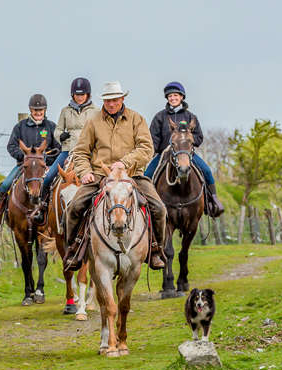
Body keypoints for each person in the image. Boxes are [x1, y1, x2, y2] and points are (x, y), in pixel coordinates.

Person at [64, 81, 167, 270]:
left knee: (159, 208)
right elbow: (80, 152)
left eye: (115, 99)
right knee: (75, 206)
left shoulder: (137, 119)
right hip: (99, 176)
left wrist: (125, 163)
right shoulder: (93, 121)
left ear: (123, 98)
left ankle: (155, 249)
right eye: (108, 100)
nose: (112, 104)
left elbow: (146, 148)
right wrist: (85, 172)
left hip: (132, 176)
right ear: (103, 100)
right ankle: (73, 248)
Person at [145, 81, 224, 217]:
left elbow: (199, 137)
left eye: (175, 95)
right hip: (165, 154)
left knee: (206, 170)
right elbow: (154, 137)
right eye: (170, 96)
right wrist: (156, 150)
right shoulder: (160, 117)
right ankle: (144, 206)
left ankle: (213, 201)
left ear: (181, 97)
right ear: (167, 98)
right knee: (147, 175)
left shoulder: (191, 117)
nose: (173, 98)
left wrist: (188, 143)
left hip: (186, 154)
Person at [0, 94, 61, 227]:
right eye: (35, 110)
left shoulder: (51, 127)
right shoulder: (20, 127)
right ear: (30, 110)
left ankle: (58, 217)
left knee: (57, 187)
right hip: (24, 166)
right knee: (5, 185)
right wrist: (24, 157)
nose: (38, 112)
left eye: (41, 110)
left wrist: (45, 160)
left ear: (45, 110)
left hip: (45, 167)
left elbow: (58, 147)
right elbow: (11, 146)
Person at [33, 77, 99, 223]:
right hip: (68, 150)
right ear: (72, 95)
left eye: (82, 94)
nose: (80, 97)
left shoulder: (96, 111)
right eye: (77, 94)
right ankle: (42, 208)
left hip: (89, 152)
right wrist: (61, 136)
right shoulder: (65, 111)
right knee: (49, 177)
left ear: (88, 94)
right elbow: (57, 131)